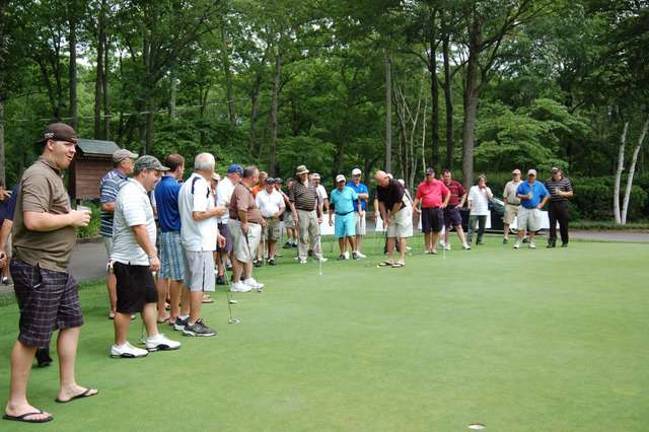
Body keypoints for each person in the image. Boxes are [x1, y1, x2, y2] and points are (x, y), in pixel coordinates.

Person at [4, 123, 97, 423]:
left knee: (72, 321)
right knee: (32, 336)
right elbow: (32, 220)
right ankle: (16, 404)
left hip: (56, 267)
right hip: (37, 267)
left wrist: (69, 218)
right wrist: (72, 217)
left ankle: (68, 386)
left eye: (74, 144)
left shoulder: (53, 175)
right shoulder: (38, 175)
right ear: (50, 144)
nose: (72, 150)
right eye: (67, 144)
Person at [110, 156, 181, 357]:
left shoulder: (139, 192)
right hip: (128, 259)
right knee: (127, 304)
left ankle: (153, 337)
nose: (158, 178)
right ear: (144, 172)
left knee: (149, 298)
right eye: (156, 174)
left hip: (138, 258)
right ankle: (120, 345)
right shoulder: (131, 193)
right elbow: (138, 228)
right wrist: (152, 254)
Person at [178, 153, 226, 336]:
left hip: (192, 238)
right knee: (199, 283)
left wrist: (216, 233)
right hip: (199, 242)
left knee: (190, 281)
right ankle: (193, 322)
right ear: (210, 168)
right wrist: (217, 210)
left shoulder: (187, 183)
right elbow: (197, 214)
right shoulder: (200, 185)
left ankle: (183, 316)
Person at [99, 148, 138, 319]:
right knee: (114, 268)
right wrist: (129, 206)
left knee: (122, 268)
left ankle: (123, 305)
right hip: (112, 231)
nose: (133, 164)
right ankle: (115, 308)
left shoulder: (123, 179)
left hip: (120, 230)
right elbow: (106, 205)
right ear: (123, 163)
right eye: (131, 160)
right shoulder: (111, 179)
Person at [153, 154, 190, 327]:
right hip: (175, 233)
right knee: (178, 276)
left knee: (163, 274)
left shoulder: (158, 185)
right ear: (179, 167)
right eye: (183, 167)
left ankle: (161, 312)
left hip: (163, 232)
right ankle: (175, 314)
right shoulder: (175, 187)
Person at [229, 166, 266, 292]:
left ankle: (247, 278)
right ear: (252, 177)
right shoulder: (242, 190)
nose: (258, 179)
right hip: (243, 224)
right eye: (257, 176)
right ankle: (236, 282)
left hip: (249, 224)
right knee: (240, 253)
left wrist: (259, 219)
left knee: (247, 253)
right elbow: (242, 209)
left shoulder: (245, 189)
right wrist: (244, 222)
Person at [290, 165, 327, 264]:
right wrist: (295, 214)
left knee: (316, 234)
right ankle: (302, 257)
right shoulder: (294, 185)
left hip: (312, 211)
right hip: (301, 211)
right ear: (299, 175)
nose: (304, 175)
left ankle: (318, 255)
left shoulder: (311, 184)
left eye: (305, 173)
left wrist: (318, 212)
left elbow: (315, 199)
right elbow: (292, 202)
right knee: (303, 234)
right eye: (302, 174)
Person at [375, 170, 412, 268]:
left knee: (402, 234)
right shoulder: (380, 187)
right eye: (378, 182)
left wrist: (390, 215)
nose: (379, 184)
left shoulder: (396, 185)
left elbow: (398, 203)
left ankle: (402, 259)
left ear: (386, 178)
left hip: (403, 209)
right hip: (391, 209)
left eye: (381, 181)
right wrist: (384, 217)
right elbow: (381, 203)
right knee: (390, 234)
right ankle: (390, 258)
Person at [215, 164, 242, 285]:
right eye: (238, 175)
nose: (240, 177)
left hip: (230, 219)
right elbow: (222, 203)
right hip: (223, 219)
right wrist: (233, 204)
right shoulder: (223, 185)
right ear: (233, 174)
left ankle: (232, 273)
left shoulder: (232, 185)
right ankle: (221, 274)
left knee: (229, 248)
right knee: (225, 248)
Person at [412, 168, 450, 254]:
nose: (428, 176)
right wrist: (413, 207)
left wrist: (445, 203)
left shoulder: (439, 183)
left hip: (437, 208)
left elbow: (448, 193)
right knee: (427, 229)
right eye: (427, 175)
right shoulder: (421, 185)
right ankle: (427, 248)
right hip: (426, 209)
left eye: (430, 175)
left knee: (436, 229)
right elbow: (417, 197)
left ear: (433, 175)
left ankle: (433, 247)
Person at [514, 169, 550, 249]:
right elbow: (517, 194)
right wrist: (525, 196)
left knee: (533, 227)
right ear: (527, 175)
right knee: (520, 226)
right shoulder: (523, 184)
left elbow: (547, 194)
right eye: (530, 175)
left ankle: (531, 242)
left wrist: (542, 204)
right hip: (524, 208)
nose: (531, 177)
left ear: (535, 176)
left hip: (534, 208)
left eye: (532, 175)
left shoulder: (539, 185)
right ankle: (518, 241)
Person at [329, 174, 361, 260]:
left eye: (343, 181)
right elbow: (331, 206)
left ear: (345, 182)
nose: (341, 183)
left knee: (351, 234)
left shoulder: (350, 190)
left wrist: (360, 210)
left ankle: (354, 252)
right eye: (339, 182)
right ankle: (342, 253)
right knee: (340, 235)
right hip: (338, 215)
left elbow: (357, 200)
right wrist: (329, 218)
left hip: (349, 214)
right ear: (337, 183)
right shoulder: (333, 193)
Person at [255, 177, 285, 265]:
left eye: (272, 184)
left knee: (273, 238)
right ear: (265, 184)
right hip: (263, 218)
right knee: (262, 238)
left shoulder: (278, 194)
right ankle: (259, 258)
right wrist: (260, 218)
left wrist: (279, 213)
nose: (271, 185)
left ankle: (271, 257)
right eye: (269, 184)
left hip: (274, 218)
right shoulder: (260, 194)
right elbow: (256, 208)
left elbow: (282, 207)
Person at [441, 169, 470, 250]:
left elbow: (464, 193)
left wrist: (461, 204)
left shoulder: (456, 184)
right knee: (446, 227)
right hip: (445, 209)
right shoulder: (441, 185)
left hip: (454, 208)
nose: (447, 178)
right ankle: (447, 244)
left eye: (449, 176)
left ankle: (464, 243)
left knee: (458, 226)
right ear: (443, 177)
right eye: (446, 176)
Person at [545, 167, 574, 248]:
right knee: (552, 224)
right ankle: (552, 241)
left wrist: (562, 193)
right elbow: (545, 192)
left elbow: (571, 193)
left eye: (556, 173)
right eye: (553, 173)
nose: (554, 175)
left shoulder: (566, 181)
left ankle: (565, 241)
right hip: (552, 204)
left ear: (560, 172)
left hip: (562, 203)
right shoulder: (548, 181)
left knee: (563, 224)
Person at [346, 168, 369, 258]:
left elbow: (367, 196)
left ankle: (358, 250)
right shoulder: (348, 186)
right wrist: (360, 195)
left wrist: (357, 195)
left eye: (358, 175)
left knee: (360, 232)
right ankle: (347, 251)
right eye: (355, 176)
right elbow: (350, 196)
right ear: (352, 176)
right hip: (352, 211)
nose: (357, 177)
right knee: (350, 232)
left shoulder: (363, 186)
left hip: (362, 212)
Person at [467, 175, 493, 245]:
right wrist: (469, 205)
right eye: (481, 181)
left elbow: (490, 198)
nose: (482, 182)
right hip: (474, 211)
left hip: (483, 211)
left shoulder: (488, 189)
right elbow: (470, 198)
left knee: (482, 228)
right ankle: (468, 241)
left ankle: (479, 240)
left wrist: (486, 189)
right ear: (478, 182)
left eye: (483, 181)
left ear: (485, 182)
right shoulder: (473, 188)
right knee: (471, 227)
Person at [502, 169, 523, 244]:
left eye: (517, 174)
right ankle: (505, 237)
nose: (515, 176)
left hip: (520, 205)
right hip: (510, 204)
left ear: (520, 175)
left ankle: (522, 237)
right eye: (514, 174)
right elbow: (505, 196)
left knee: (522, 222)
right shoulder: (509, 184)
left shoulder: (523, 184)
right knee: (507, 221)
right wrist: (505, 206)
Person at [282, 178, 298, 249]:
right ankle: (295, 241)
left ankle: (290, 241)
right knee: (293, 227)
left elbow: (289, 201)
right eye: (289, 183)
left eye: (291, 183)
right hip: (291, 210)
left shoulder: (290, 192)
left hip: (290, 211)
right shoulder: (294, 191)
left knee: (289, 227)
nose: (290, 185)